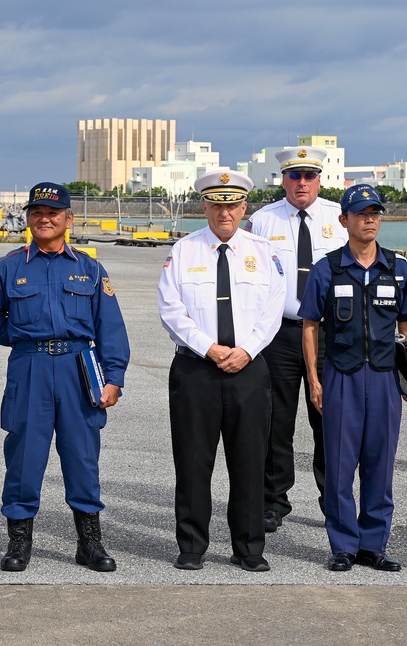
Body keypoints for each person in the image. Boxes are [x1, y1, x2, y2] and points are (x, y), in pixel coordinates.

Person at [0, 182, 130, 572]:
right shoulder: (7, 267)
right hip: (30, 368)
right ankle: (18, 542)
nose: (44, 219)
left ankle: (90, 543)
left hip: (79, 369)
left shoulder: (90, 269)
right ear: (28, 217)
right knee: (25, 456)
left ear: (68, 219)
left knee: (82, 457)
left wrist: (113, 378)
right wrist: (23, 340)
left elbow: (110, 328)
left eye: (53, 213)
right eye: (37, 212)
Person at [158, 170, 286, 572]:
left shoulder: (265, 252)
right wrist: (208, 348)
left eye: (232, 204)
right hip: (196, 370)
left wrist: (246, 350)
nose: (224, 212)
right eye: (217, 204)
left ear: (244, 207)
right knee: (193, 462)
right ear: (205, 207)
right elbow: (170, 309)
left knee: (249, 462)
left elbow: (273, 310)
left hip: (249, 371)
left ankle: (249, 548)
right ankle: (191, 546)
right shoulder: (183, 251)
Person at [298, 184, 407, 572]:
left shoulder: (398, 269)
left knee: (379, 463)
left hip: (385, 378)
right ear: (344, 221)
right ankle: (343, 546)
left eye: (375, 213)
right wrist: (315, 380)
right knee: (338, 465)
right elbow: (309, 327)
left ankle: (373, 545)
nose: (370, 220)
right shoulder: (328, 268)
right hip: (341, 376)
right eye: (361, 213)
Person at [246, 146, 347, 531]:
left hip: (329, 333)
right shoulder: (263, 220)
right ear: (283, 179)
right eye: (294, 176)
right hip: (281, 334)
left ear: (320, 179)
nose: (301, 183)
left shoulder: (338, 219)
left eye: (308, 176)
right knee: (276, 421)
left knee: (330, 420)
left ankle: (333, 500)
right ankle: (274, 501)